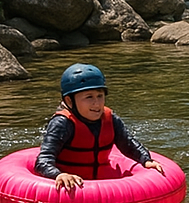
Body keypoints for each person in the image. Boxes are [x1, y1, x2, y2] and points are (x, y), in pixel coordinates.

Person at [35, 63, 165, 196]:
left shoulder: (110, 118)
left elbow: (128, 143)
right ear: (69, 101)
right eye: (89, 97)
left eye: (100, 96)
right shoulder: (62, 123)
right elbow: (43, 160)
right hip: (71, 190)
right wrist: (58, 175)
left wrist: (146, 160)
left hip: (102, 182)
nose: (96, 103)